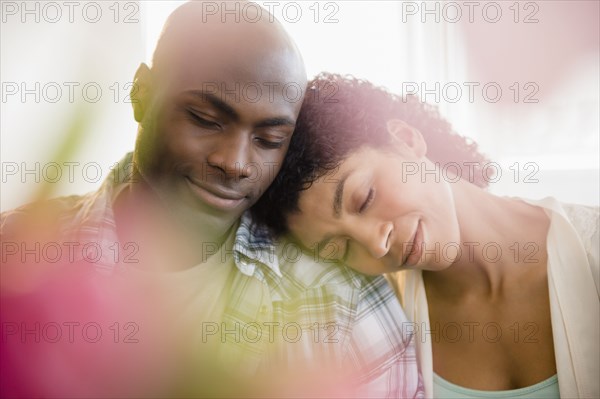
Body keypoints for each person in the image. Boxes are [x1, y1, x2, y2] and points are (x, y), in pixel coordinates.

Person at [0, 3, 423, 398]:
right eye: (206, 119)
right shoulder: (17, 254)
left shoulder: (340, 301)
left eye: (269, 140)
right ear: (141, 94)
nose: (235, 163)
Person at [252, 72, 600, 398]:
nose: (376, 244)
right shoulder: (384, 324)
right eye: (341, 249)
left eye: (365, 198)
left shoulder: (592, 250)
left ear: (405, 140)